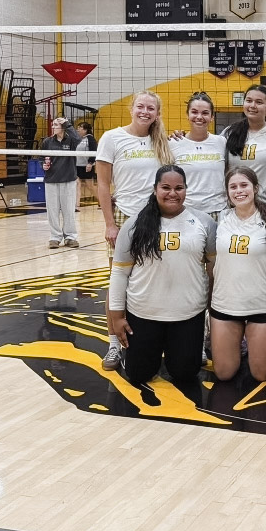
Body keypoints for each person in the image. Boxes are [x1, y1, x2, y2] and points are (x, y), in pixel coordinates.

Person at [108, 165, 216, 389]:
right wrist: (117, 317)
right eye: (165, 187)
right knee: (139, 374)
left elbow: (214, 269)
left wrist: (210, 309)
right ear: (155, 188)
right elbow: (119, 273)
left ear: (186, 189)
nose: (172, 193)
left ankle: (190, 346)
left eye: (179, 188)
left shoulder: (204, 223)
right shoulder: (134, 224)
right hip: (143, 313)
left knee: (185, 373)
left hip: (188, 314)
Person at [96, 90, 174, 371]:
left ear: (157, 113)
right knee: (118, 283)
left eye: (150, 108)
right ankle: (113, 346)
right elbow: (103, 185)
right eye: (140, 106)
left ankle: (158, 341)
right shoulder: (112, 138)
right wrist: (109, 223)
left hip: (157, 219)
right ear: (132, 108)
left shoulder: (162, 141)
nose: (145, 112)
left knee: (154, 280)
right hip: (124, 215)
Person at [210, 166, 266, 383]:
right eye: (233, 187)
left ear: (256, 188)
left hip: (261, 303)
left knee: (262, 374)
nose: (239, 191)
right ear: (227, 192)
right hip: (226, 303)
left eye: (244, 185)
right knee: (224, 373)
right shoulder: (220, 217)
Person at [223, 84, 266, 211]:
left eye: (259, 102)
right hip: (238, 206)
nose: (252, 106)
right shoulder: (229, 132)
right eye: (249, 101)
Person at [170, 92, 227, 219]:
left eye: (205, 113)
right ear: (187, 115)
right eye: (194, 112)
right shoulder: (174, 143)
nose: (199, 117)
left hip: (218, 210)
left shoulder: (221, 142)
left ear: (212, 117)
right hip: (186, 211)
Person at [40, 117, 79, 248]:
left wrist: (67, 124)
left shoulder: (71, 140)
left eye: (56, 124)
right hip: (51, 180)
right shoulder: (47, 142)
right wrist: (43, 165)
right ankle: (54, 237)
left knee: (68, 210)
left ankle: (70, 237)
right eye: (53, 124)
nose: (53, 126)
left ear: (63, 127)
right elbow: (41, 158)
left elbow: (79, 139)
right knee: (52, 210)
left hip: (68, 179)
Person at [74, 121, 97, 210]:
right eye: (78, 127)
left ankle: (102, 202)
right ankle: (77, 204)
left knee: (90, 186)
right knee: (77, 184)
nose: (78, 129)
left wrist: (90, 163)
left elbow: (94, 151)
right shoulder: (79, 139)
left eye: (80, 127)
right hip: (77, 165)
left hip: (86, 166)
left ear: (86, 130)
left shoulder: (90, 139)